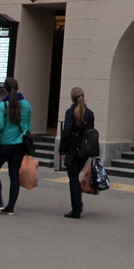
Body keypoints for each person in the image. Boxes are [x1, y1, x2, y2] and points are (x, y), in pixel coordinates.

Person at [0, 77, 32, 216]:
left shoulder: (3, 105)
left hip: (5, 144)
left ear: (5, 89)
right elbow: (29, 126)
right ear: (18, 87)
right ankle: (10, 207)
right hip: (19, 145)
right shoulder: (27, 105)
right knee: (14, 176)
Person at [58, 86, 95, 219]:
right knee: (75, 176)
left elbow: (66, 132)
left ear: (72, 98)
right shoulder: (89, 113)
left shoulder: (70, 112)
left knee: (73, 178)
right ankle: (77, 205)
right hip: (84, 150)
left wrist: (62, 150)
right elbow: (91, 133)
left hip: (72, 149)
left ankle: (76, 208)